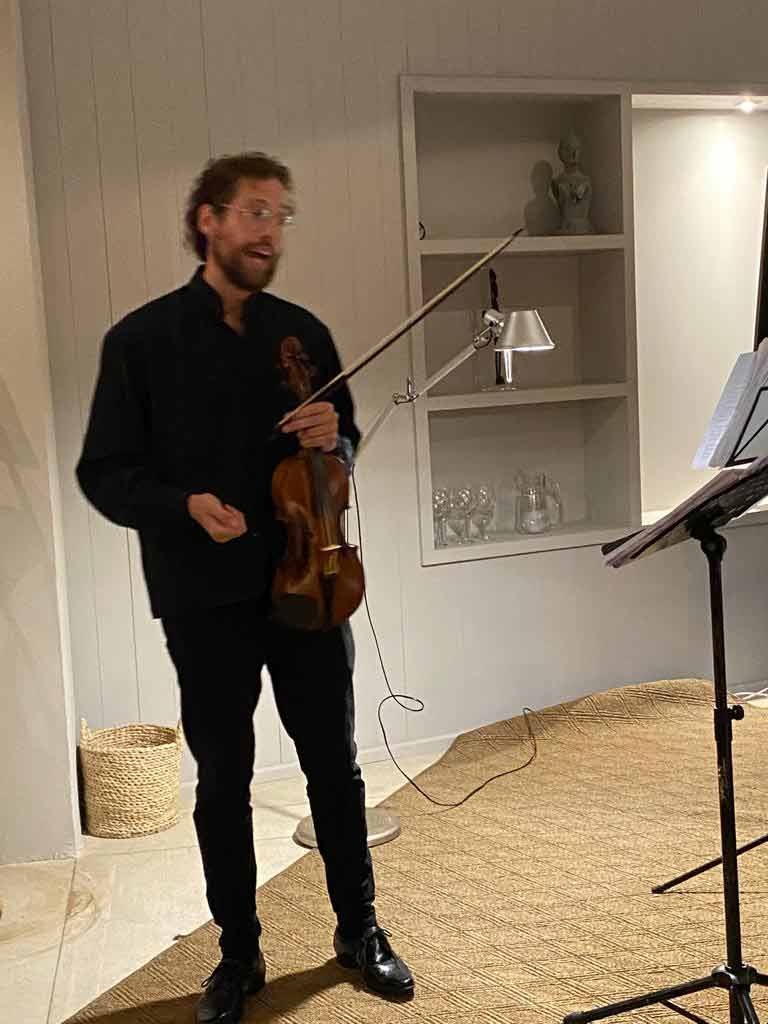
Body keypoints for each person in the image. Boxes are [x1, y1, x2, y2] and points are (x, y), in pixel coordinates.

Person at [76, 152, 414, 1023]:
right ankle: (238, 953)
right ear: (209, 220)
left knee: (334, 766)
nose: (271, 231)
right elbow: (103, 473)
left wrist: (336, 437)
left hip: (312, 579)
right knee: (223, 779)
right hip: (204, 595)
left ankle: (359, 928)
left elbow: (345, 452)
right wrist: (183, 506)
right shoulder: (140, 341)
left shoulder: (303, 334)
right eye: (256, 212)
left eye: (281, 215)